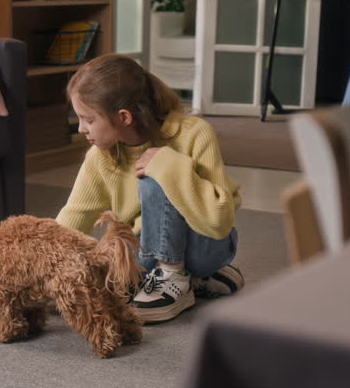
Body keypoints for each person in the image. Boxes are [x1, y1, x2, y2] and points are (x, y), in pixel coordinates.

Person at [56, 54, 244, 323]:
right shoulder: (100, 156)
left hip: (207, 242)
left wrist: (169, 165)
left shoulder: (194, 132)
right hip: (147, 247)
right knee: (110, 284)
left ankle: (175, 276)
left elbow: (219, 220)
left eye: (87, 119)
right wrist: (45, 263)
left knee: (155, 170)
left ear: (123, 117)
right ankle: (196, 278)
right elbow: (75, 215)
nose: (82, 128)